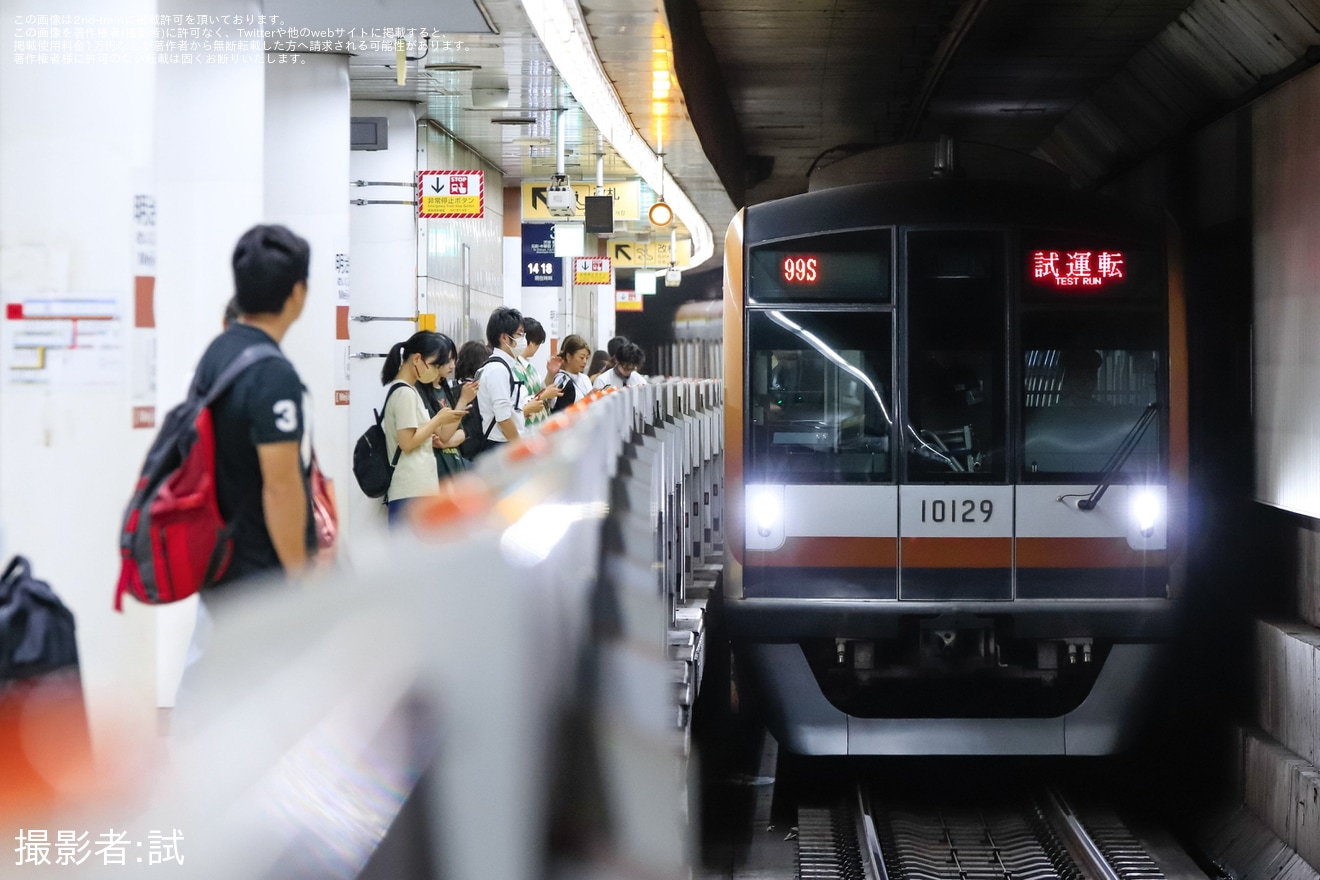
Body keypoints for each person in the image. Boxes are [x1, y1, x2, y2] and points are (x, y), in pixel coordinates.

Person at [192, 224, 316, 587]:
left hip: (218, 556)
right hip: (259, 573)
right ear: (298, 292)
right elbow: (280, 485)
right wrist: (298, 577)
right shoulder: (272, 374)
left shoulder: (219, 353)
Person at [379, 331, 467, 526]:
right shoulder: (404, 393)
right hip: (410, 489)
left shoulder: (410, 391)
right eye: (435, 365)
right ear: (417, 359)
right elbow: (407, 442)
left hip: (419, 487)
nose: (437, 371)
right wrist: (437, 420)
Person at [416, 333, 479, 480]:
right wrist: (463, 400)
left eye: (453, 359)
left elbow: (461, 433)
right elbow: (442, 434)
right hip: (436, 471)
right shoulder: (419, 391)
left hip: (453, 466)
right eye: (447, 360)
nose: (452, 365)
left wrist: (446, 444)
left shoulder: (444, 388)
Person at [512, 317, 563, 427]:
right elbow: (520, 403)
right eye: (538, 344)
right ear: (530, 342)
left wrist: (550, 374)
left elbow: (538, 390)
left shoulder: (530, 367)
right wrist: (545, 395)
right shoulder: (514, 367)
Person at [551, 334, 593, 410]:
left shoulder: (585, 378)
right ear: (568, 356)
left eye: (587, 358)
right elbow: (558, 410)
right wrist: (587, 399)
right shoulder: (561, 380)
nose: (585, 361)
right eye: (581, 357)